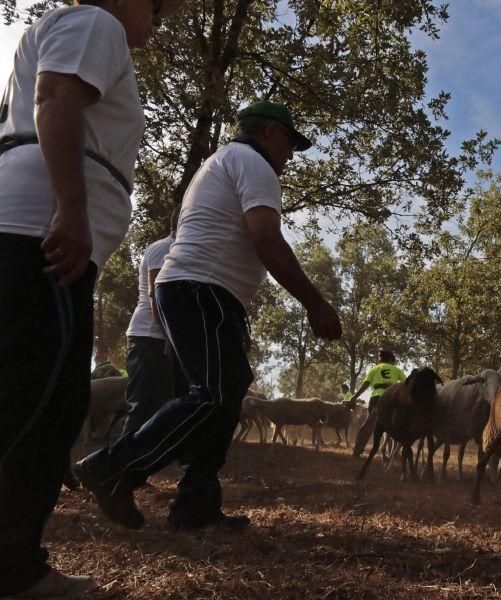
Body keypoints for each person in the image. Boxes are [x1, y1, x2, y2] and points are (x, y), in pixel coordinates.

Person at [76, 100, 342, 532]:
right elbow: (266, 239)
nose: (290, 156)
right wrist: (315, 303)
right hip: (201, 291)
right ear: (271, 133)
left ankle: (195, 505)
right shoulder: (253, 163)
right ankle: (111, 468)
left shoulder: (221, 162)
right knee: (217, 393)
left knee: (220, 396)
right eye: (290, 144)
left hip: (200, 294)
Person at [0, 0, 184, 595]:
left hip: (41, 237)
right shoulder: (96, 22)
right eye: (159, 8)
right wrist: (73, 212)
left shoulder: (73, 30)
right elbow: (56, 98)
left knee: (41, 402)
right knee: (34, 407)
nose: (162, 22)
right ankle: (12, 570)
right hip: (44, 239)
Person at [120, 206, 179, 436]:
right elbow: (157, 297)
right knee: (141, 407)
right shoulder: (162, 249)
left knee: (158, 408)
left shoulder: (177, 251)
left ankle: (134, 468)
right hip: (148, 336)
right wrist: (168, 336)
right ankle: (119, 467)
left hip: (161, 338)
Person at [351, 349, 405, 457]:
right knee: (391, 426)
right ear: (391, 359)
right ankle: (393, 452)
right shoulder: (397, 369)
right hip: (391, 399)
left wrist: (353, 397)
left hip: (376, 398)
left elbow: (365, 385)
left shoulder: (374, 369)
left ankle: (357, 451)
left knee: (368, 425)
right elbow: (406, 384)